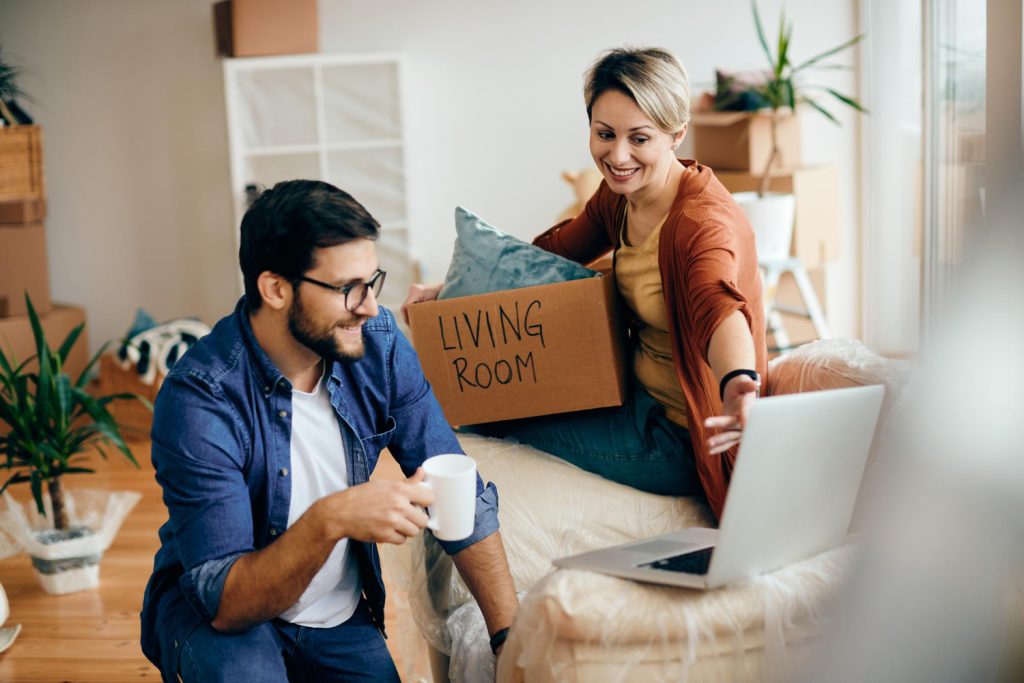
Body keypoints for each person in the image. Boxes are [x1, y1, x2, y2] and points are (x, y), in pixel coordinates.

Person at [140, 180, 518, 682]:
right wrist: (331, 518)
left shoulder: (377, 345)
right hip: (222, 618)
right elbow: (225, 602)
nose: (368, 306)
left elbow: (455, 487)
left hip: (333, 617)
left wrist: (509, 640)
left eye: (372, 281)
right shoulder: (201, 398)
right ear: (275, 288)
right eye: (347, 289)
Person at [403, 47, 767, 520]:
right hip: (630, 392)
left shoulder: (699, 226)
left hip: (674, 435)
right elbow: (547, 256)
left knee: (482, 408)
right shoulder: (623, 195)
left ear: (677, 134)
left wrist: (739, 382)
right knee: (491, 385)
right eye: (604, 134)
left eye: (639, 138)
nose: (617, 156)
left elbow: (717, 306)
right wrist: (450, 290)